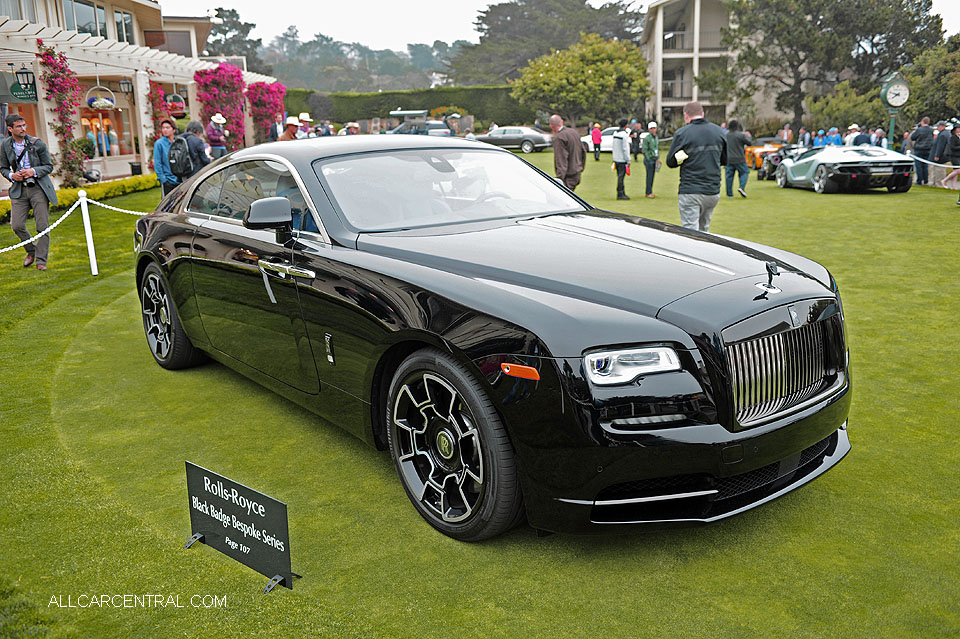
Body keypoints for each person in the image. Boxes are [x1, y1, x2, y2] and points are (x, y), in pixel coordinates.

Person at [1, 113, 57, 270]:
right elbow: (3, 168)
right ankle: (31, 251)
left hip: (38, 188)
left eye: (24, 125)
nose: (23, 128)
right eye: (19, 126)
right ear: (10, 129)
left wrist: (33, 171)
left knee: (42, 226)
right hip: (19, 190)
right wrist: (12, 175)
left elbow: (49, 166)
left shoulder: (37, 143)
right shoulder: (5, 145)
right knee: (17, 225)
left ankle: (41, 261)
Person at [665, 101, 727, 233]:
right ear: (703, 114)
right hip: (712, 190)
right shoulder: (719, 132)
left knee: (691, 232)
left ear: (686, 116)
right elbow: (724, 160)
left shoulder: (683, 133)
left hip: (691, 189)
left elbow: (670, 162)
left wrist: (682, 157)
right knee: (704, 231)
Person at [549, 114, 585, 191]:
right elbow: (583, 152)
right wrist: (581, 168)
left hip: (568, 177)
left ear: (551, 126)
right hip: (577, 172)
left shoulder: (560, 137)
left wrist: (559, 179)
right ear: (562, 122)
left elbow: (561, 159)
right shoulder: (574, 132)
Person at [725, 119, 751, 198]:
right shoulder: (740, 135)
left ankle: (730, 194)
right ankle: (741, 187)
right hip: (740, 158)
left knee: (729, 176)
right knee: (744, 172)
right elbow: (749, 143)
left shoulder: (726, 135)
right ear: (737, 126)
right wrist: (749, 137)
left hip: (729, 159)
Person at [153, 118, 179, 196]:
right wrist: (163, 180)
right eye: (163, 128)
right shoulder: (159, 144)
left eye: (167, 128)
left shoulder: (178, 142)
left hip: (179, 180)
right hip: (168, 181)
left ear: (173, 130)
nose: (165, 130)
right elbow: (157, 163)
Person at [910, 117, 934, 185]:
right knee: (925, 165)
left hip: (919, 149)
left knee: (919, 166)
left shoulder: (920, 130)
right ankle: (926, 181)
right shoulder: (931, 130)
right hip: (927, 149)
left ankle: (919, 181)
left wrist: (916, 130)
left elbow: (912, 137)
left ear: (922, 122)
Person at [612, 119, 631, 200]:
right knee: (621, 177)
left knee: (619, 176)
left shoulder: (615, 133)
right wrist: (628, 159)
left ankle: (621, 192)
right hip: (622, 159)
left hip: (616, 158)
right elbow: (625, 148)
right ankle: (620, 193)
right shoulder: (624, 135)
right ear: (626, 125)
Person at [642, 121, 659, 199]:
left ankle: (650, 191)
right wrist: (649, 158)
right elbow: (645, 150)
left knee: (652, 176)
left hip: (654, 159)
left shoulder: (656, 137)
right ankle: (648, 192)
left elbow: (656, 149)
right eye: (651, 128)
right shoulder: (647, 138)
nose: (653, 130)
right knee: (649, 176)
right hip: (649, 160)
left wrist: (657, 158)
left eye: (654, 128)